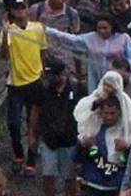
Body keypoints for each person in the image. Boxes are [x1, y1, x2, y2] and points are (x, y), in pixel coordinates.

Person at [1, 0, 46, 176]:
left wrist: (40, 72)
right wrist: (5, 33)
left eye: (22, 7)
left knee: (33, 124)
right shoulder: (9, 31)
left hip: (34, 82)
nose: (20, 11)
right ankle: (18, 152)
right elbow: (4, 53)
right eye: (17, 8)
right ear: (12, 11)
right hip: (15, 84)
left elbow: (43, 51)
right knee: (13, 123)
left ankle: (30, 159)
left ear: (27, 9)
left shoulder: (37, 29)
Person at [36, 59, 82, 196]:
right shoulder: (42, 89)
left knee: (70, 177)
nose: (49, 79)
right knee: (48, 175)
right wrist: (33, 134)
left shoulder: (77, 88)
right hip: (49, 139)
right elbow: (35, 110)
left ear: (62, 75)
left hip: (70, 140)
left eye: (53, 76)